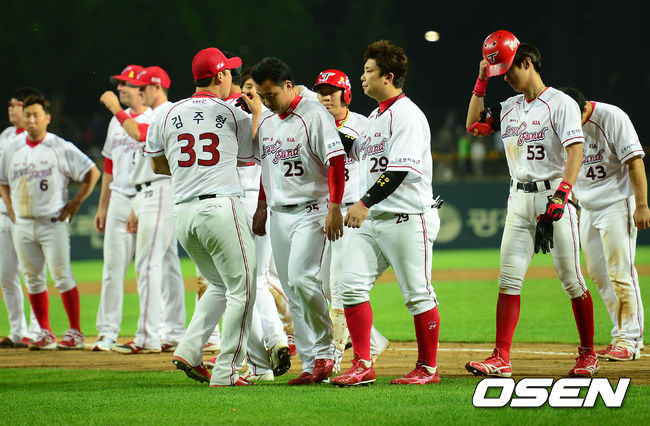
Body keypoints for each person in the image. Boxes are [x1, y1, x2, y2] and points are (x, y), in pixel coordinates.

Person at [464, 30, 598, 377]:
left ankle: (588, 354)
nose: (505, 77)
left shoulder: (560, 103)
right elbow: (473, 126)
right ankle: (501, 357)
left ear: (527, 63)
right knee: (508, 280)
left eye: (508, 70)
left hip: (552, 195)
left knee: (572, 279)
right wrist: (481, 81)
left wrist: (563, 193)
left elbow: (575, 150)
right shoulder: (508, 107)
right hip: (518, 199)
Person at [330, 40, 441, 387]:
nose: (362, 77)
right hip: (375, 220)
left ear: (388, 76)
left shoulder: (407, 115)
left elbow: (399, 170)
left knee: (418, 294)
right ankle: (362, 364)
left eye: (369, 71)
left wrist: (363, 202)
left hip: (407, 217)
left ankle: (428, 368)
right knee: (350, 288)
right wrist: (326, 127)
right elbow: (357, 150)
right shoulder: (377, 116)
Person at [145, 47, 258, 387]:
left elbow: (157, 164)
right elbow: (246, 158)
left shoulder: (166, 113)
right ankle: (227, 371)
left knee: (220, 285)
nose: (232, 77)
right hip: (220, 207)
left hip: (183, 212)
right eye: (229, 72)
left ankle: (189, 349)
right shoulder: (233, 112)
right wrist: (256, 116)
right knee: (244, 288)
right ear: (220, 75)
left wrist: (188, 170)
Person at [250, 56, 345, 385]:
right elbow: (267, 169)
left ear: (288, 86)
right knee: (292, 291)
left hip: (312, 210)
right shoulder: (267, 121)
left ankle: (327, 350)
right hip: (279, 213)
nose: (266, 101)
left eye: (270, 94)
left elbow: (336, 162)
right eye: (262, 96)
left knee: (304, 280)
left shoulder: (314, 114)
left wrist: (334, 207)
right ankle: (309, 363)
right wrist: (261, 206)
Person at [0, 95, 100, 350]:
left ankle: (75, 332)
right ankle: (44, 332)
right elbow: (2, 181)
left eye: (36, 115)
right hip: (23, 222)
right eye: (28, 115)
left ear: (47, 118)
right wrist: (10, 206)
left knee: (61, 275)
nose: (32, 120)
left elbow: (92, 172)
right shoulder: (13, 148)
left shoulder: (59, 146)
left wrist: (76, 202)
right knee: (32, 278)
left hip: (52, 221)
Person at [101, 66, 186, 354]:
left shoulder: (166, 112)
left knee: (148, 263)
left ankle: (148, 336)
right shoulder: (161, 112)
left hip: (161, 187)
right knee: (168, 263)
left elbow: (138, 133)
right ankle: (174, 330)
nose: (139, 91)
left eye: (143, 86)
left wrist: (116, 109)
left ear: (157, 87)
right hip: (150, 190)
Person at [560, 87, 647, 361]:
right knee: (598, 273)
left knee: (621, 272)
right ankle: (620, 333)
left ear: (583, 108)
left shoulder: (612, 117)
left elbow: (635, 162)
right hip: (588, 207)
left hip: (617, 203)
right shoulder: (562, 120)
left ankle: (630, 340)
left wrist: (642, 205)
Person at [312, 69, 389, 373]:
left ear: (346, 95)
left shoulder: (364, 125)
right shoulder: (313, 124)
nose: (325, 97)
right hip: (324, 212)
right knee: (323, 286)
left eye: (331, 91)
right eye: (321, 92)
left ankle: (334, 359)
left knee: (340, 287)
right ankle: (373, 342)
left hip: (352, 214)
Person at [93, 65, 150, 351]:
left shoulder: (154, 117)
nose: (119, 88)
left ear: (141, 88)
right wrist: (102, 206)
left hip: (146, 198)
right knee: (112, 270)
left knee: (148, 270)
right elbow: (109, 165)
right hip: (118, 198)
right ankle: (107, 332)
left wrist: (116, 109)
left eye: (125, 84)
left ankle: (152, 332)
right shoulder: (115, 123)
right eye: (118, 84)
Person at [0, 87, 43, 348]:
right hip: (5, 213)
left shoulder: (40, 138)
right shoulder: (5, 136)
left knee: (33, 274)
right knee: (6, 275)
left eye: (15, 104)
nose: (11, 108)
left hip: (29, 216)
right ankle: (18, 331)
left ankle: (38, 331)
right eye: (10, 104)